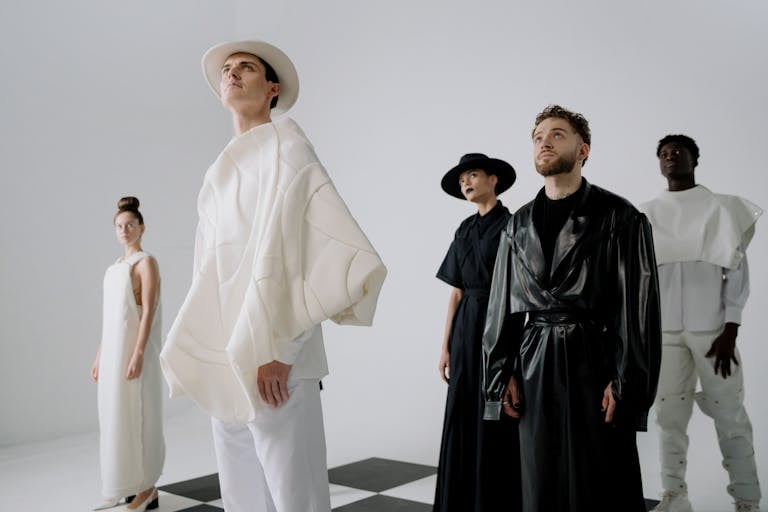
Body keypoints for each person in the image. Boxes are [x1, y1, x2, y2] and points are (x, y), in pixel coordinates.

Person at [159, 40, 387, 512]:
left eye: (246, 67)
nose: (233, 73)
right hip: (228, 355)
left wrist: (281, 351)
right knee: (242, 495)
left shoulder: (289, 149)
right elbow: (209, 268)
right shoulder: (219, 171)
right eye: (227, 68)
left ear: (272, 88)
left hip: (277, 359)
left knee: (295, 496)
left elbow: (309, 254)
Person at [482, 105, 662, 512]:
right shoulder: (517, 224)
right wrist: (501, 373)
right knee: (538, 474)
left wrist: (625, 380)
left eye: (558, 134)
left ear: (583, 150)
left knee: (601, 476)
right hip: (533, 363)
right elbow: (500, 307)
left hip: (594, 359)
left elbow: (638, 306)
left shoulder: (621, 216)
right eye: (538, 135)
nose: (544, 141)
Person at [639, 134, 762, 512]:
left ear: (695, 158)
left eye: (678, 151)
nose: (670, 156)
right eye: (663, 153)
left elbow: (736, 274)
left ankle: (747, 500)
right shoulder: (644, 214)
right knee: (667, 417)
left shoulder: (723, 208)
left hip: (713, 333)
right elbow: (641, 282)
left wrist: (731, 327)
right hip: (664, 334)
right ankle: (674, 495)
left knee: (730, 415)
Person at [433, 153, 521, 512]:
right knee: (463, 412)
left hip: (499, 325)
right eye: (461, 181)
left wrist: (512, 360)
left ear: (493, 179)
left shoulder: (514, 226)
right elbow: (455, 291)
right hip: (465, 330)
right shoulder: (464, 230)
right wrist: (445, 347)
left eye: (472, 175)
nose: (466, 183)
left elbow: (519, 295)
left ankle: (494, 501)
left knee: (496, 413)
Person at [91, 197, 164, 512]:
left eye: (130, 225)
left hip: (135, 352)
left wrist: (138, 354)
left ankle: (147, 488)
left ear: (142, 227)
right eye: (119, 226)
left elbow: (148, 312)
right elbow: (111, 319)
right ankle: (125, 483)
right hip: (112, 354)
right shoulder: (114, 268)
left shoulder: (145, 263)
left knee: (140, 416)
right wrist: (99, 356)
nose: (124, 230)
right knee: (115, 415)